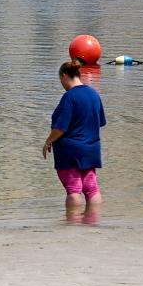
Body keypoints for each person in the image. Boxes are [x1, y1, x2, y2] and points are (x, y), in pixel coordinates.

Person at [43, 58, 106, 216]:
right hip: (91, 148)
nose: (61, 84)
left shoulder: (69, 97)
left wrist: (48, 141)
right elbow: (100, 122)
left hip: (70, 151)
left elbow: (60, 128)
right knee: (92, 188)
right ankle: (92, 221)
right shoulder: (93, 94)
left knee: (73, 189)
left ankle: (72, 226)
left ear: (64, 76)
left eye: (60, 80)